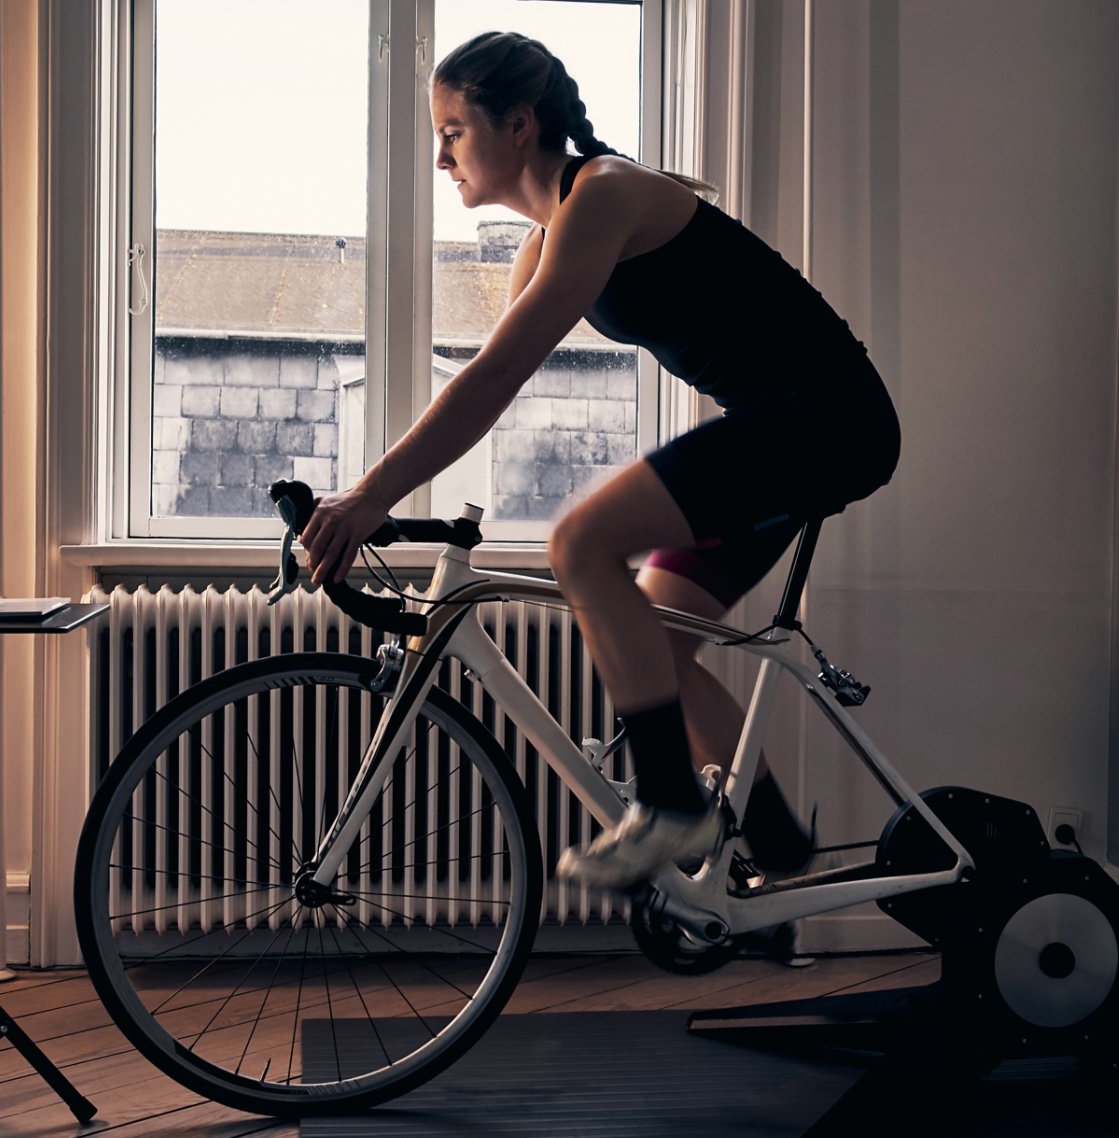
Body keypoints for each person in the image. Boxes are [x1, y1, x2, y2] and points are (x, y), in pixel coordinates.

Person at [301, 31, 899, 891]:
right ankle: (773, 841)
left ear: (515, 125)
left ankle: (669, 803)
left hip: (827, 421)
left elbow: (492, 375)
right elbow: (490, 383)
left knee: (580, 543)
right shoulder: (545, 241)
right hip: (784, 425)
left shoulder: (607, 194)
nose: (439, 158)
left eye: (451, 131)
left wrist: (364, 497)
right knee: (655, 636)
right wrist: (389, 503)